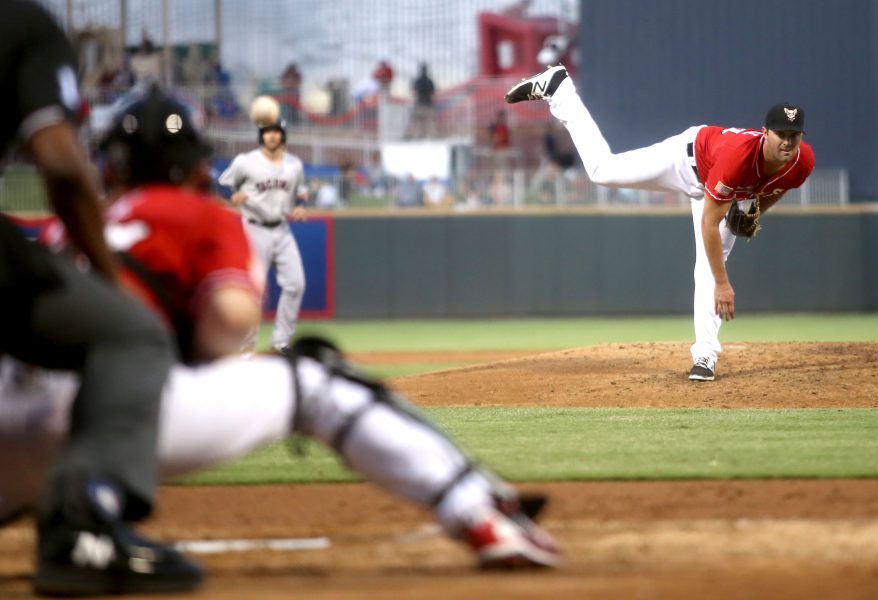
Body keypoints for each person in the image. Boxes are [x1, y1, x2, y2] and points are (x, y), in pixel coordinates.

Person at [0, 87, 561, 572]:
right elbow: (228, 324)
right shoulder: (198, 214)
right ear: (195, 163)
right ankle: (482, 514)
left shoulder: (62, 229)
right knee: (314, 377)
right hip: (112, 421)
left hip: (11, 428)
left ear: (110, 166)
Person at [0, 2, 201, 595]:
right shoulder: (24, 24)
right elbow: (61, 164)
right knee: (131, 333)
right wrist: (111, 279)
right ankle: (81, 529)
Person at [506, 65, 815, 381]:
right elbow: (710, 223)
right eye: (781, 134)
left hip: (726, 188)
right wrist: (723, 286)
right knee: (602, 171)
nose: (788, 142)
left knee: (708, 266)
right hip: (687, 161)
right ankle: (559, 90)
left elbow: (778, 186)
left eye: (794, 135)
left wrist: (756, 212)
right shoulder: (738, 160)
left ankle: (705, 358)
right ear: (766, 132)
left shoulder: (802, 161)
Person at [218, 119, 307, 354]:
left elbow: (301, 192)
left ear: (283, 135)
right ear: (261, 135)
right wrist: (234, 195)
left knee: (296, 283)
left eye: (276, 131)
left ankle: (281, 343)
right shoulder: (246, 162)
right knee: (254, 289)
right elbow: (222, 184)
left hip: (282, 228)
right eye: (267, 132)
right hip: (254, 228)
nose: (272, 136)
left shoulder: (293, 165)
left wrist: (300, 205)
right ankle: (247, 347)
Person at [407, 63, 438, 139]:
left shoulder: (417, 80)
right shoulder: (429, 81)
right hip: (428, 103)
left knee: (417, 121)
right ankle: (432, 136)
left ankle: (414, 135)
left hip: (419, 103)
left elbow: (414, 92)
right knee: (430, 121)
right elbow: (433, 93)